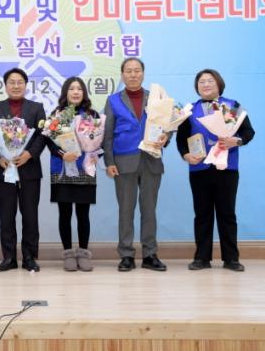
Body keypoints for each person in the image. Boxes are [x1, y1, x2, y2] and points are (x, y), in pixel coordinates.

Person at [176, 69, 255, 272]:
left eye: (210, 80)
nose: (206, 84)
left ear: (219, 84)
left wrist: (236, 140)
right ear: (197, 87)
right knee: (202, 214)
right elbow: (181, 139)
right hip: (199, 168)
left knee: (227, 213)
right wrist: (186, 155)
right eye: (201, 82)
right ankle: (202, 258)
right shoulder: (190, 110)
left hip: (226, 167)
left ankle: (231, 259)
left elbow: (248, 131)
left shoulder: (231, 106)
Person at [103, 58, 168, 272]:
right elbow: (107, 134)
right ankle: (126, 255)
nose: (133, 74)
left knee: (149, 210)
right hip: (123, 162)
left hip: (151, 160)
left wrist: (166, 137)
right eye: (129, 71)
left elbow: (166, 126)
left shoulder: (156, 99)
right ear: (122, 75)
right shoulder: (113, 100)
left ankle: (150, 254)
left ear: (143, 73)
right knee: (126, 210)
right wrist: (109, 162)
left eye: (137, 70)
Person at [0, 68, 46, 272]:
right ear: (5, 85)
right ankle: (9, 257)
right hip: (4, 170)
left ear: (26, 85)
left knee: (30, 216)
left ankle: (29, 257)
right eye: (12, 82)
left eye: (20, 82)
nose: (16, 85)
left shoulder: (37, 108)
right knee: (6, 215)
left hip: (29, 170)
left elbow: (42, 136)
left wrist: (29, 154)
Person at [47, 77, 100, 272]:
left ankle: (84, 253)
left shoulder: (92, 115)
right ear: (66, 92)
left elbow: (99, 139)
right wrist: (63, 154)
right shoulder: (57, 114)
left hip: (85, 168)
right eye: (72, 89)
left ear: (84, 92)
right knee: (65, 213)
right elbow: (49, 141)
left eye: (79, 89)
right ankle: (68, 253)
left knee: (83, 213)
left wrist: (94, 154)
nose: (76, 92)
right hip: (62, 168)